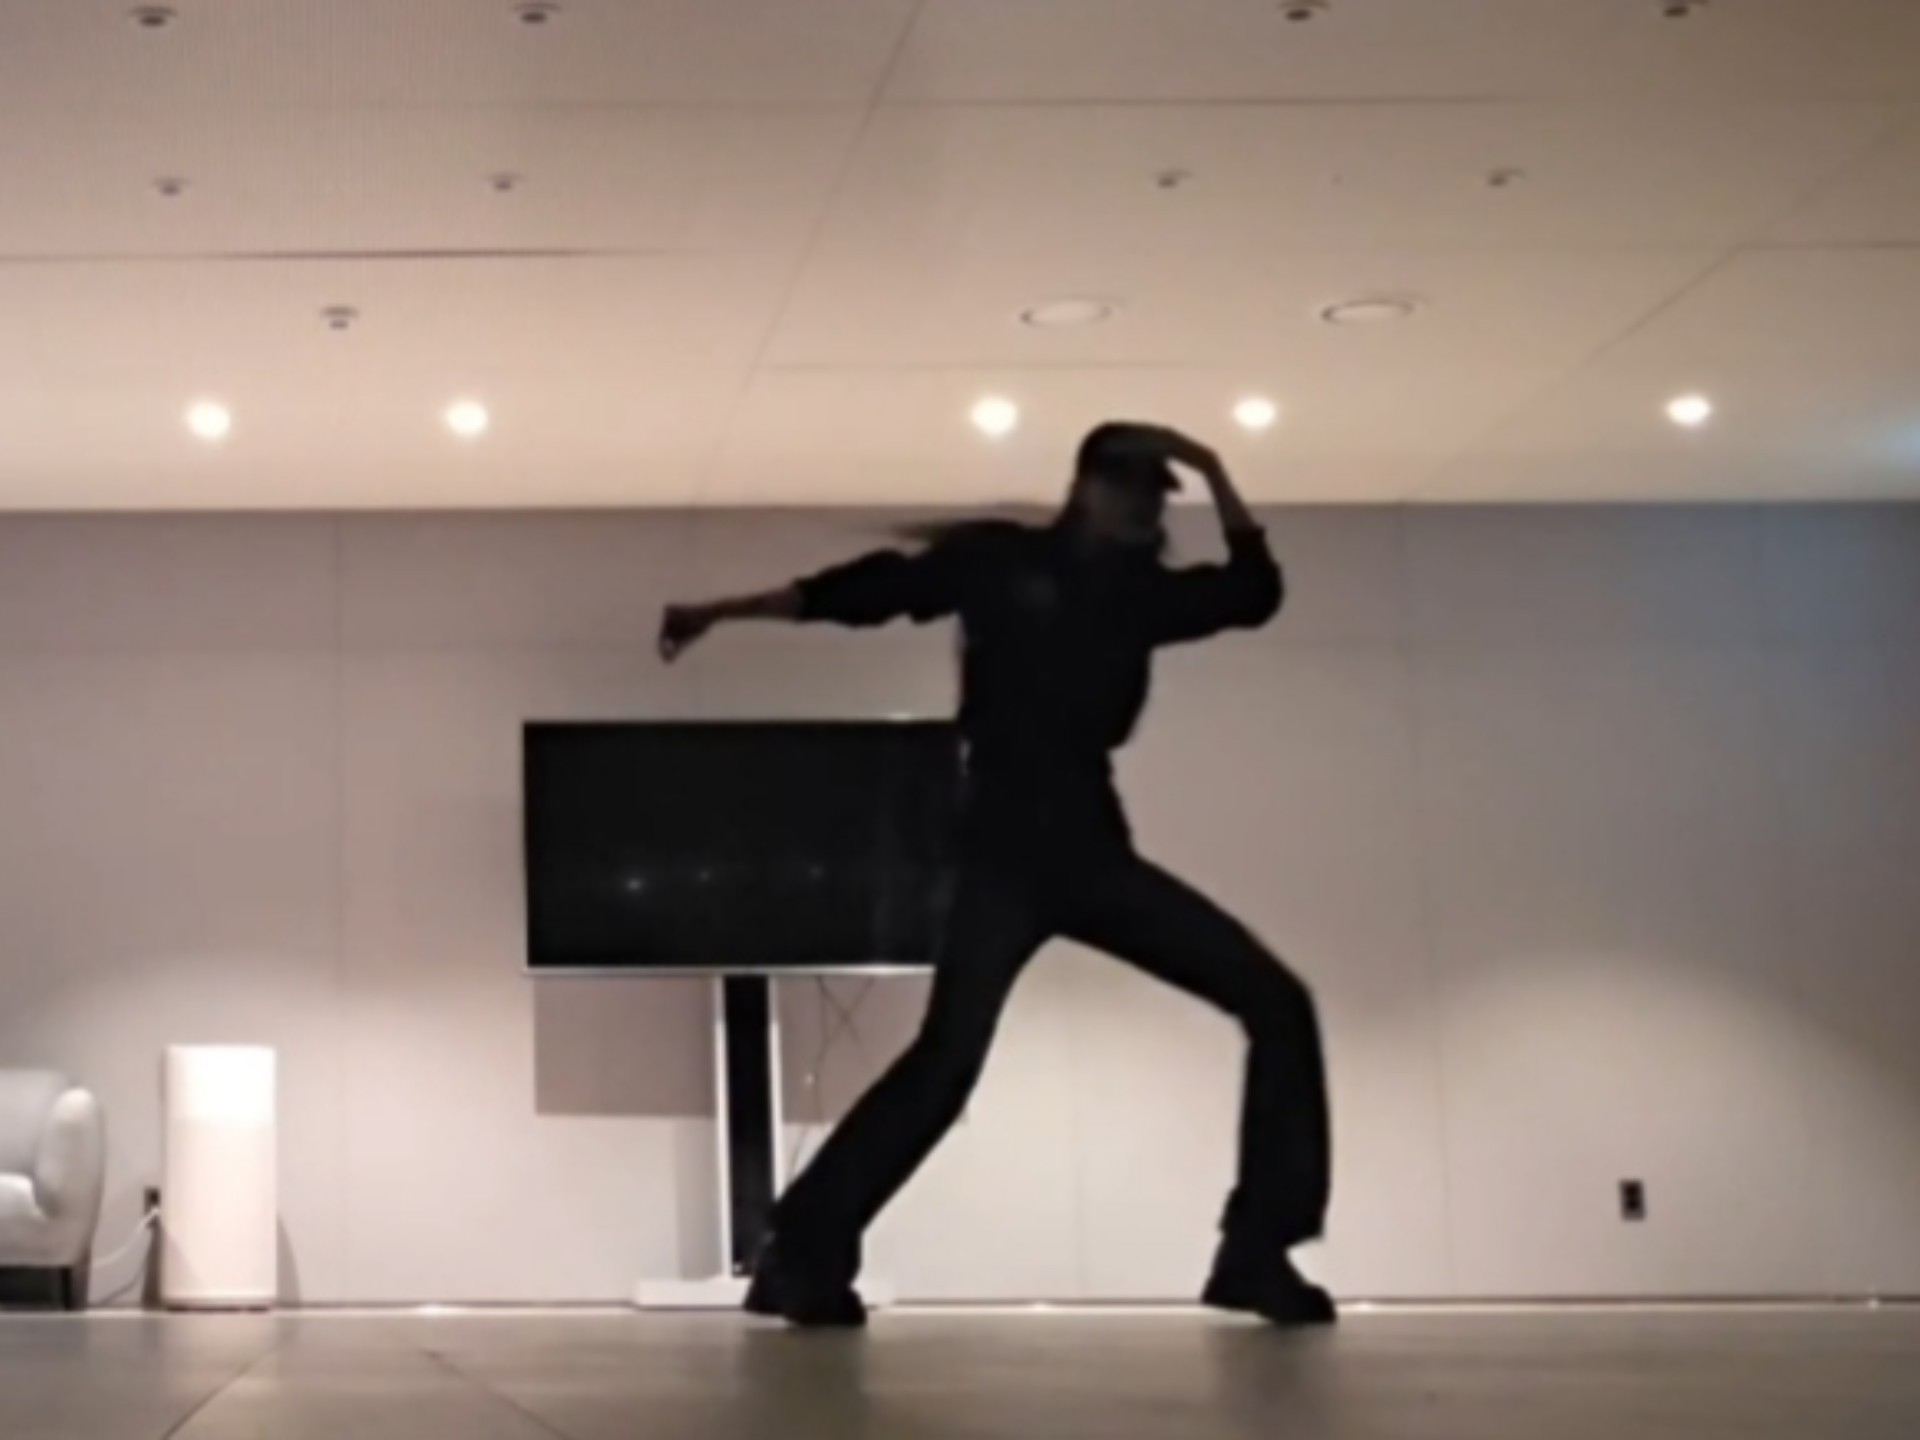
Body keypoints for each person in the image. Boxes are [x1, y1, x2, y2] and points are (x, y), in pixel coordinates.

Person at [658, 422, 1334, 1329]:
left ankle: (1256, 1255)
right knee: (947, 1063)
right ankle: (800, 1257)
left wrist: (1213, 467)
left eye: (1157, 491)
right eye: (1133, 485)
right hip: (1002, 850)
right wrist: (723, 610)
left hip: (1090, 847)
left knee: (1278, 1003)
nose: (1147, 504)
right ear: (1087, 487)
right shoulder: (999, 562)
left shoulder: (1141, 596)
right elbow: (869, 593)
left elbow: (1256, 594)